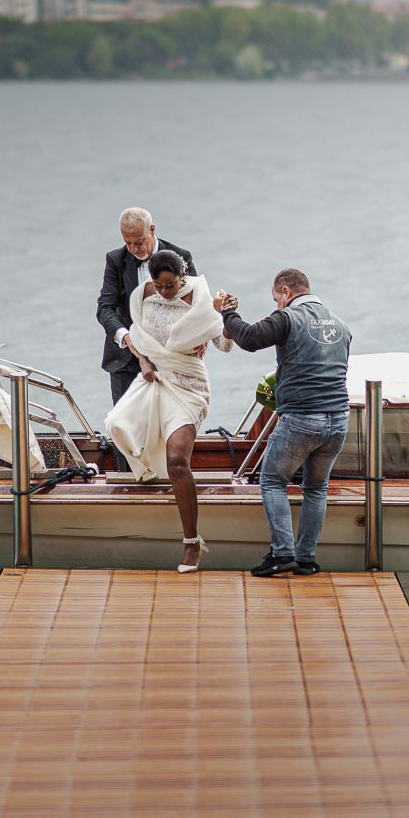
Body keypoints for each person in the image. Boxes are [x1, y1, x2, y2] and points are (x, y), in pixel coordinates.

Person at [215, 269, 352, 577]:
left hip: (302, 418)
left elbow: (249, 338)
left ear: (287, 292)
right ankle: (306, 559)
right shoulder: (341, 325)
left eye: (276, 298)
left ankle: (282, 553)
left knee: (272, 481)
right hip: (339, 419)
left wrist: (228, 312)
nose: (277, 304)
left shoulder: (288, 317)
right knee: (316, 488)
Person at [104, 250, 232, 572]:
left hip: (189, 386)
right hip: (154, 379)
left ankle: (191, 543)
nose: (164, 291)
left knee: (177, 459)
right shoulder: (142, 295)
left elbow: (225, 344)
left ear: (182, 275)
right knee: (116, 424)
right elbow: (139, 337)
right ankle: (151, 472)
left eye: (170, 285)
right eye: (159, 286)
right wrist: (143, 360)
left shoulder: (200, 298)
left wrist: (226, 315)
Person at [97, 207, 195, 405]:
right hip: (126, 361)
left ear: (152, 229)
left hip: (170, 358)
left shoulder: (180, 256)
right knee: (124, 420)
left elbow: (195, 304)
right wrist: (127, 338)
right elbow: (105, 308)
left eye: (139, 242)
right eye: (128, 243)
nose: (133, 249)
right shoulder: (115, 260)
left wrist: (197, 338)